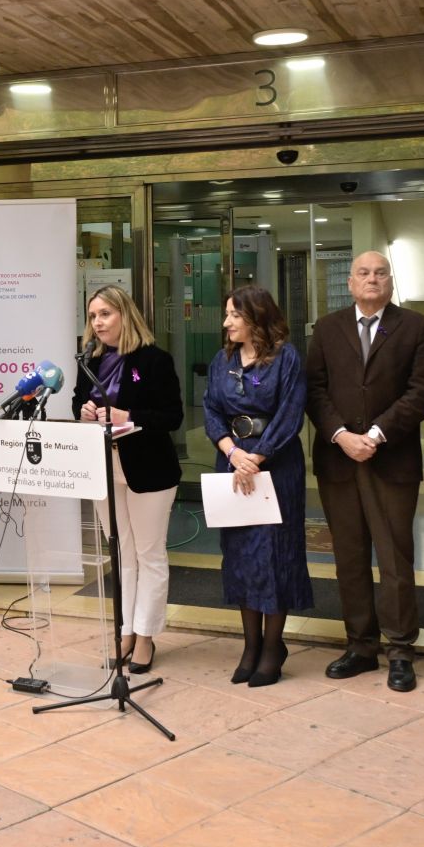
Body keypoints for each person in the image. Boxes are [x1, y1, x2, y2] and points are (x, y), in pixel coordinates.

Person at [306, 250, 424, 692]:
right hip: (338, 460)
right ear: (350, 282)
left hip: (391, 460)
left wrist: (378, 434)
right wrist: (341, 435)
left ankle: (400, 649)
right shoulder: (327, 328)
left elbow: (422, 391)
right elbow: (314, 390)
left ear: (390, 281)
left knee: (396, 559)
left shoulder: (416, 327)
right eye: (363, 273)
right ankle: (360, 646)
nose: (372, 279)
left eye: (380, 273)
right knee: (349, 558)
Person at [205, 286, 310, 686]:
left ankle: (272, 647)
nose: (226, 322)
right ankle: (250, 646)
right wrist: (232, 452)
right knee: (240, 557)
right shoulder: (223, 360)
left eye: (234, 315)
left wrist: (257, 457)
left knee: (275, 554)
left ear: (256, 317)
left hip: (275, 467)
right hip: (232, 464)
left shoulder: (286, 357)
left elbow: (290, 414)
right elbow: (211, 408)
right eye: (227, 314)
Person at [76, 285, 184, 672]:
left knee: (148, 554)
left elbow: (172, 416)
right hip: (104, 466)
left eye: (105, 314)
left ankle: (146, 635)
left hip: (149, 468)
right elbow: (77, 401)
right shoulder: (89, 360)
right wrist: (84, 412)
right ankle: (125, 631)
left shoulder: (154, 360)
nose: (98, 322)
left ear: (125, 314)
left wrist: (128, 417)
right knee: (121, 553)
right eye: (93, 316)